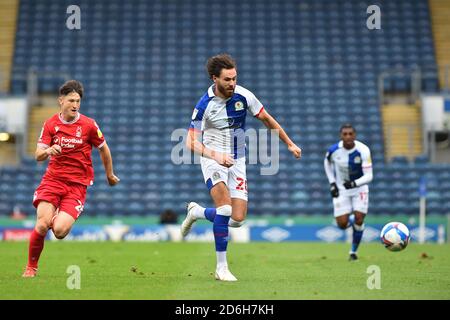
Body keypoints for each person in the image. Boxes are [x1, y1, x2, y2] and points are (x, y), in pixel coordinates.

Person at [181, 54, 301, 281]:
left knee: (237, 219)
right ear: (214, 78)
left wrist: (289, 143)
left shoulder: (244, 96)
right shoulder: (204, 105)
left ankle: (196, 212)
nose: (232, 83)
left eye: (234, 78)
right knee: (225, 210)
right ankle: (221, 268)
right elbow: (190, 142)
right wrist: (215, 155)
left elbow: (267, 118)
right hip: (212, 158)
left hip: (238, 160)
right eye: (227, 79)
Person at [22, 80, 120, 277]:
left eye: (78, 101)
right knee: (42, 224)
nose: (75, 105)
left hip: (77, 186)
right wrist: (49, 150)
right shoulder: (50, 124)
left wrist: (109, 174)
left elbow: (104, 150)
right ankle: (31, 268)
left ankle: (57, 215)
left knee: (59, 231)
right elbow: (38, 155)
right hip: (53, 181)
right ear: (61, 101)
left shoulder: (89, 125)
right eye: (71, 100)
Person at [323, 123, 373, 261]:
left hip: (359, 188)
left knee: (359, 219)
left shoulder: (363, 150)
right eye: (345, 134)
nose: (348, 136)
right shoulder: (334, 151)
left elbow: (369, 176)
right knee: (342, 224)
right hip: (342, 190)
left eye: (351, 134)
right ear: (341, 136)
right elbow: (326, 163)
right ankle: (352, 220)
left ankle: (353, 252)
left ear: (355, 135)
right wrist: (332, 183)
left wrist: (354, 183)